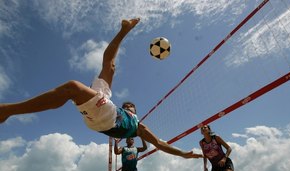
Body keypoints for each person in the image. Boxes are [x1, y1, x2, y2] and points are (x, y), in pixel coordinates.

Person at [0, 18, 202, 159]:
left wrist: (184, 154)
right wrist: (125, 30)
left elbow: (160, 144)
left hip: (108, 119)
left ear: (135, 112)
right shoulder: (120, 107)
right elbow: (109, 66)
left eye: (131, 106)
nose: (130, 106)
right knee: (109, 66)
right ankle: (124, 30)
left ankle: (8, 110)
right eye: (128, 105)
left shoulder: (139, 127)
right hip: (106, 106)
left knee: (72, 87)